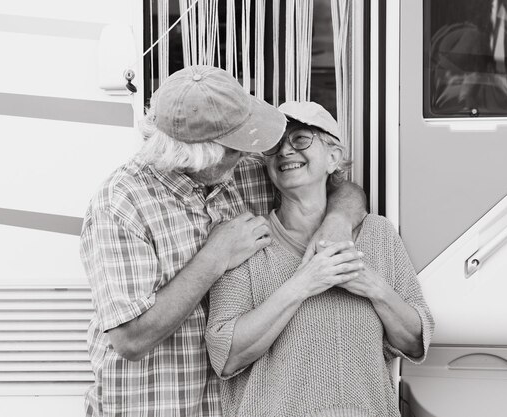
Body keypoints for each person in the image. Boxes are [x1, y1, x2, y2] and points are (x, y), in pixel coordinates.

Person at [80, 67, 367, 416]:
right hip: (154, 407)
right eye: (237, 144)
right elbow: (130, 339)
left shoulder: (237, 171)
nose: (249, 150)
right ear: (201, 156)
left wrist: (337, 223)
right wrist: (216, 255)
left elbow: (339, 185)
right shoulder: (121, 203)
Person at [205, 101, 434, 417]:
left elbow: (415, 343)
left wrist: (375, 288)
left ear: (333, 158)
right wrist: (303, 283)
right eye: (275, 144)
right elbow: (225, 356)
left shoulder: (378, 233)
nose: (285, 150)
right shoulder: (249, 241)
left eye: (300, 139)